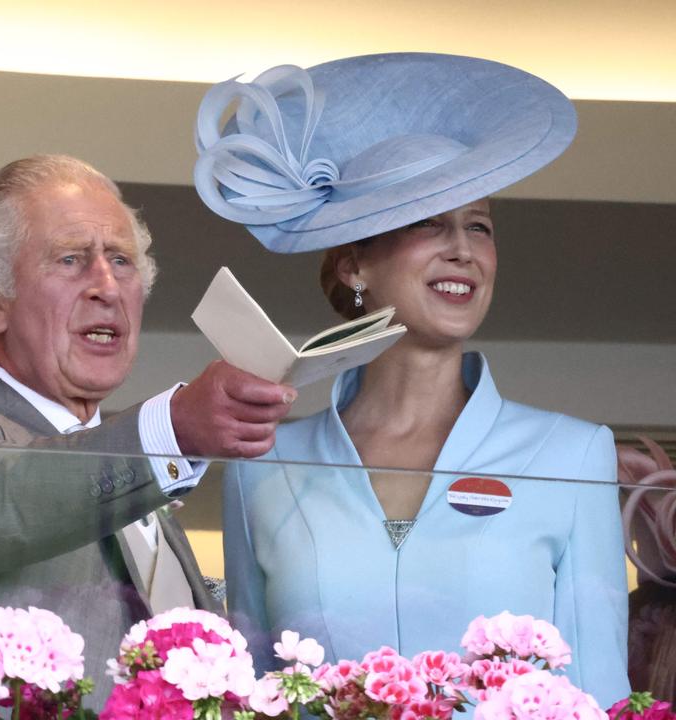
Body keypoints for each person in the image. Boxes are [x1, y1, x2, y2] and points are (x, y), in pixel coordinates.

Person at [196, 53, 629, 701]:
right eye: (428, 221)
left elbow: (598, 692)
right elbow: (253, 694)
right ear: (353, 267)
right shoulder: (265, 463)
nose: (462, 247)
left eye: (479, 226)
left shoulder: (574, 454)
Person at [0, 154, 296, 694]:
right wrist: (174, 430)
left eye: (121, 260)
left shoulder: (143, 476)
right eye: (70, 259)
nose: (107, 287)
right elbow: (11, 495)